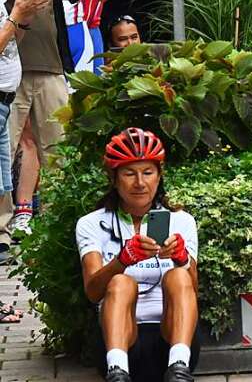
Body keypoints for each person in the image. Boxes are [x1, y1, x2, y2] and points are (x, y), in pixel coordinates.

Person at [0, 0, 97, 243]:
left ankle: (60, 226)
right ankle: (2, 231)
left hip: (50, 66)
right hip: (7, 73)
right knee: (3, 153)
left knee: (60, 149)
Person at [77, 129, 198, 382]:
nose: (140, 183)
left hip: (172, 341)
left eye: (148, 173)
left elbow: (193, 289)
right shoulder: (92, 223)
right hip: (119, 343)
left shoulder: (181, 221)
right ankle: (117, 372)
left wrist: (181, 258)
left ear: (159, 175)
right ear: (114, 177)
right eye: (129, 173)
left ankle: (179, 369)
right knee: (121, 282)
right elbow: (93, 291)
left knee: (178, 276)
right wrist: (122, 261)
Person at [0, 0, 54, 271]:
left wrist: (23, 20)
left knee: (2, 179)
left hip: (6, 94)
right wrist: (17, 16)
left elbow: (9, 44)